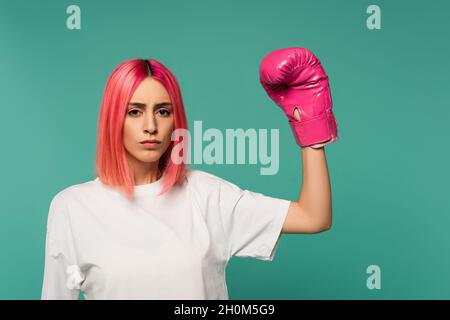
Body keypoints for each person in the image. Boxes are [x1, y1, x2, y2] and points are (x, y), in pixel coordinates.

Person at [41, 48, 338, 300]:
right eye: (134, 111)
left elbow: (314, 216)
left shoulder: (205, 195)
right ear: (112, 118)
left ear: (176, 119)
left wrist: (310, 122)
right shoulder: (72, 208)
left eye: (163, 111)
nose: (150, 126)